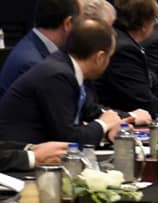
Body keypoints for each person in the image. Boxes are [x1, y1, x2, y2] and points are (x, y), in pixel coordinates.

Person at [0, 18, 125, 147]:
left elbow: (91, 112)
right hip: (21, 153)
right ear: (100, 57)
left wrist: (115, 124)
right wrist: (103, 124)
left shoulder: (68, 67)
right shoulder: (57, 75)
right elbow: (67, 139)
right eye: (109, 57)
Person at [0, 0, 80, 96]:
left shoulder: (34, 45)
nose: (82, 27)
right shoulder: (33, 65)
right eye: (80, 20)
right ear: (68, 23)